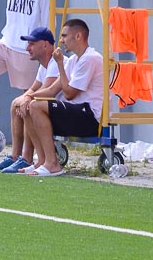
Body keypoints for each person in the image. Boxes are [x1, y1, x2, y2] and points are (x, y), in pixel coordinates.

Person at [21, 19, 103, 176]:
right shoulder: (73, 60)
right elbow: (52, 90)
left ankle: (52, 164)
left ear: (78, 36)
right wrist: (28, 97)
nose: (61, 40)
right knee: (30, 105)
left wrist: (59, 64)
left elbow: (69, 94)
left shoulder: (90, 58)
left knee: (35, 106)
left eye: (64, 36)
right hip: (77, 112)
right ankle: (42, 161)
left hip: (89, 117)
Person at [0, 27, 60, 173]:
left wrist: (27, 98)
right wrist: (25, 97)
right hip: (50, 109)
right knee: (17, 103)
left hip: (57, 110)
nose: (27, 48)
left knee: (29, 104)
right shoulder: (44, 66)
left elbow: (46, 92)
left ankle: (32, 158)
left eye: (32, 44)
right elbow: (33, 89)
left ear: (45, 45)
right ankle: (17, 156)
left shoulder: (55, 63)